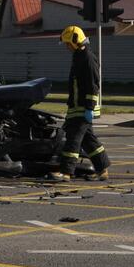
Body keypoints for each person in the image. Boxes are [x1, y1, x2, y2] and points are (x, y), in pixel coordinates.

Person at [48, 26, 111, 182]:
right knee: (89, 140)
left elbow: (93, 84)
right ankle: (102, 170)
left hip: (84, 107)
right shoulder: (79, 56)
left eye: (68, 43)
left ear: (75, 41)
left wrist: (89, 107)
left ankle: (66, 172)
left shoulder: (87, 58)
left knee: (73, 138)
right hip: (78, 107)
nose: (67, 47)